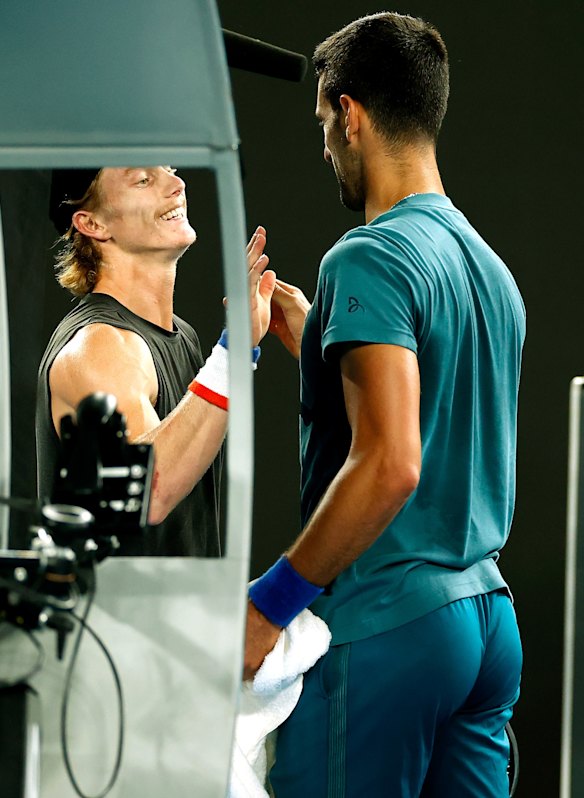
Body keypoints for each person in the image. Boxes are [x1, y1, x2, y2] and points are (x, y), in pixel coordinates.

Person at [244, 12, 525, 797]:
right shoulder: (489, 269)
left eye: (325, 125)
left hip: (389, 626)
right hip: (484, 626)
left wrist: (269, 607)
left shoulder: (369, 255)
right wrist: (323, 340)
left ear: (350, 113)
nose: (325, 145)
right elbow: (438, 409)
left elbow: (394, 462)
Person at [37, 166, 275, 556]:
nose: (177, 185)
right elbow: (150, 491)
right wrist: (234, 354)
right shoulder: (99, 346)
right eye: (143, 180)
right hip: (113, 617)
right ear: (92, 222)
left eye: (170, 169)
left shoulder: (182, 336)